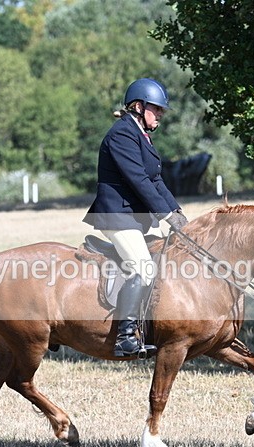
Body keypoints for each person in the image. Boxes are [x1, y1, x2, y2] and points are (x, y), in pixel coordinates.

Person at [83, 78, 188, 358]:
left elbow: (155, 180)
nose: (161, 113)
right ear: (138, 106)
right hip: (117, 216)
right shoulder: (122, 134)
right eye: (157, 108)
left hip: (132, 218)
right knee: (143, 269)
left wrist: (177, 213)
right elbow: (139, 180)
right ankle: (125, 337)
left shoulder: (140, 135)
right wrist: (166, 215)